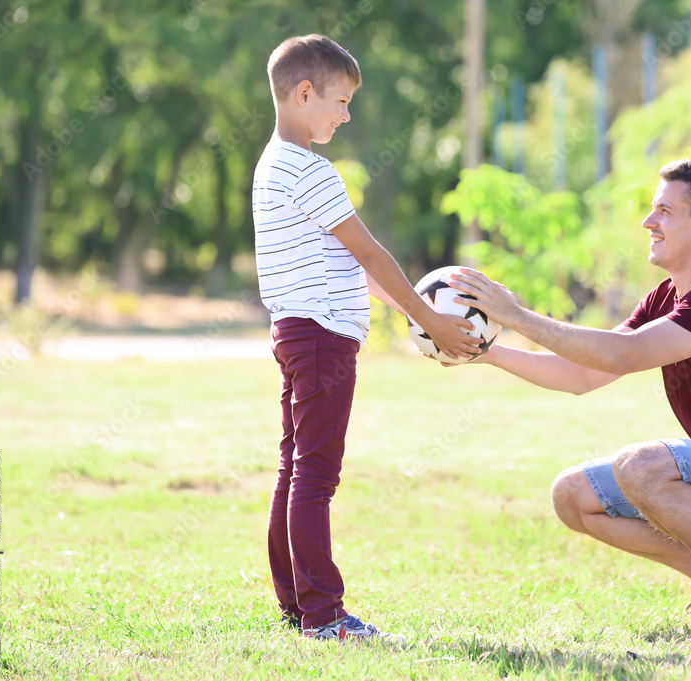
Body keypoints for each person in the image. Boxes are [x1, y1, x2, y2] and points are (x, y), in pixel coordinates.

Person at [449, 159, 691, 645]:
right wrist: (487, 352)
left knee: (641, 465)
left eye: (664, 211)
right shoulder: (665, 298)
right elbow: (584, 372)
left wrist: (516, 315)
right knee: (573, 496)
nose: (648, 223)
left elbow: (626, 354)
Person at [252, 34, 480, 640]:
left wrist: (412, 312)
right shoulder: (309, 169)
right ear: (305, 94)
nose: (346, 114)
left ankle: (297, 606)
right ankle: (324, 616)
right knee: (315, 475)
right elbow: (371, 255)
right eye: (341, 100)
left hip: (297, 333)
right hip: (323, 339)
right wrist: (431, 320)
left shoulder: (271, 165)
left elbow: (353, 265)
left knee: (294, 470)